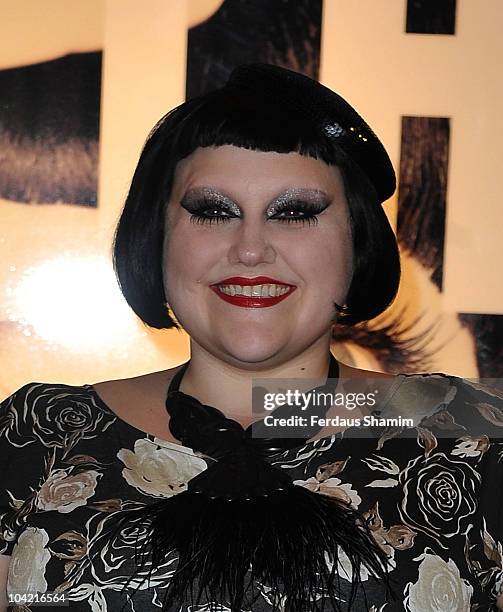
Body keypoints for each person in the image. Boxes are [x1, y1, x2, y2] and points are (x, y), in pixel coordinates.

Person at [1, 63, 502, 612]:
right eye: (213, 212)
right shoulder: (35, 434)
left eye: (295, 213)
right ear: (157, 239)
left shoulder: (474, 436)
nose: (249, 249)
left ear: (357, 246)